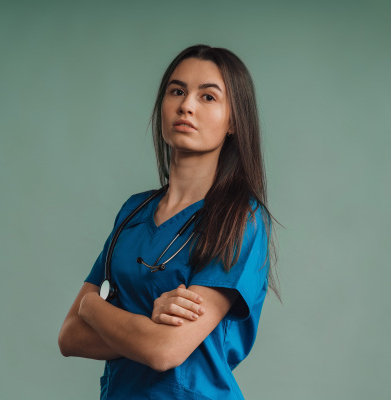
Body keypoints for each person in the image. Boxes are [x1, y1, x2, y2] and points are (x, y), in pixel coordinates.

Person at [58, 44, 278, 399]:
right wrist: (144, 319)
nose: (186, 105)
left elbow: (165, 351)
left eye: (208, 97)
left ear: (234, 121)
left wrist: (93, 307)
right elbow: (70, 335)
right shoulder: (133, 212)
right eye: (177, 91)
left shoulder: (240, 220)